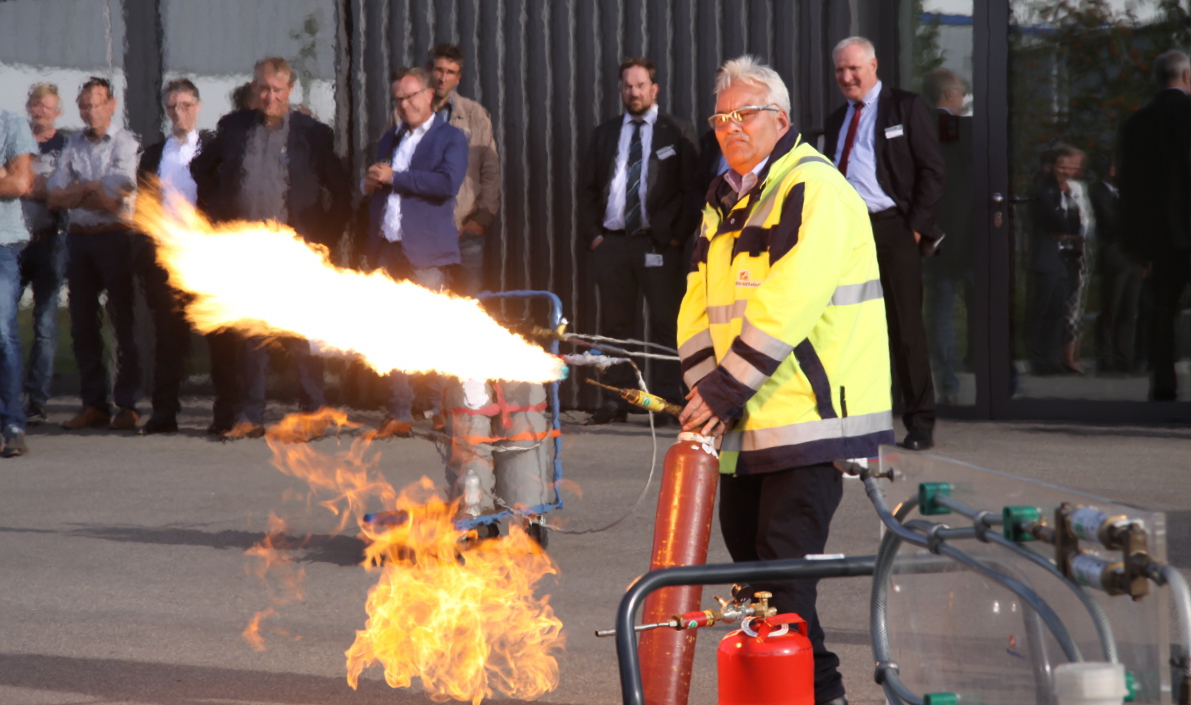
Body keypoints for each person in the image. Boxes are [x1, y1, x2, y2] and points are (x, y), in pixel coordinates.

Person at [678, 55, 893, 705]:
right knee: (756, 592)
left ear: (781, 118)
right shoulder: (724, 196)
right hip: (748, 425)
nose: (730, 128)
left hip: (810, 422)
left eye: (745, 115)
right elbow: (696, 302)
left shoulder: (813, 187)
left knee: (783, 591)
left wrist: (719, 390)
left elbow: (790, 301)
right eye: (720, 118)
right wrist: (701, 389)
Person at [191, 57, 349, 437]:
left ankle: (314, 413)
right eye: (263, 88)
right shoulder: (233, 128)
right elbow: (201, 171)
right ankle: (251, 416)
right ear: (254, 88)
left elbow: (340, 190)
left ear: (290, 91)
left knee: (300, 335)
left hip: (294, 251)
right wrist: (218, 221)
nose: (269, 96)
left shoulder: (312, 133)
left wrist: (323, 239)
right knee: (252, 336)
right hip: (248, 252)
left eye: (277, 89)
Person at [825, 36, 945, 451]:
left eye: (853, 68)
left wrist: (914, 228)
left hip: (894, 229)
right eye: (840, 69)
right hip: (848, 235)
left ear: (873, 66)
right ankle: (857, 417)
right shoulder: (838, 117)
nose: (846, 76)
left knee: (905, 327)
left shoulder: (905, 107)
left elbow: (932, 171)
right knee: (849, 326)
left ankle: (920, 421)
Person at [579, 57, 698, 424]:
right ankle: (619, 398)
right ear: (621, 90)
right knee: (616, 327)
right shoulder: (605, 133)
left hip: (658, 245)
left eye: (641, 85)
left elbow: (692, 191)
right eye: (628, 86)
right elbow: (586, 191)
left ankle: (663, 400)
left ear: (654, 89)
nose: (634, 92)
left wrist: (677, 239)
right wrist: (596, 237)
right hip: (613, 245)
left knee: (665, 324)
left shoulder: (676, 131)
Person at [364, 67, 468, 438]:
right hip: (389, 251)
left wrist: (395, 178)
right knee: (392, 335)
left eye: (410, 97)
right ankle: (399, 413)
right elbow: (382, 185)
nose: (404, 105)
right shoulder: (390, 139)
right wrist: (372, 184)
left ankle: (438, 408)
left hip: (426, 254)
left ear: (429, 96)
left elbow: (445, 183)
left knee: (430, 333)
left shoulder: (450, 137)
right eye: (398, 99)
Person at [47, 77, 143, 432]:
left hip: (116, 238)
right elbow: (55, 195)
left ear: (112, 104)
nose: (91, 111)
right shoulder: (73, 143)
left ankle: (129, 405)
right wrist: (91, 188)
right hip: (79, 240)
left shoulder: (125, 142)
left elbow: (113, 197)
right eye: (85, 105)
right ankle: (94, 404)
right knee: (84, 324)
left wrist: (80, 189)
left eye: (97, 104)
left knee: (123, 323)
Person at [135, 78, 214, 434]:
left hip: (207, 254)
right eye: (172, 107)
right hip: (167, 257)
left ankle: (226, 413)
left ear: (197, 106)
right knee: (168, 339)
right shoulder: (155, 154)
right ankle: (165, 412)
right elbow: (143, 205)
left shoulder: (213, 149)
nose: (179, 113)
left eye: (185, 105)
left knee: (219, 333)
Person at [1118, 50, 1191, 401]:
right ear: (1187, 77)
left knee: (1163, 310)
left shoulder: (1136, 124)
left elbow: (1129, 188)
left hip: (1160, 238)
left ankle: (1163, 381)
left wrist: (1134, 242)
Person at [427, 44, 500, 296]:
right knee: (425, 309)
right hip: (422, 235)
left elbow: (490, 171)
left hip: (465, 233)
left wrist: (481, 220)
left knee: (469, 306)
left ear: (458, 78)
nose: (442, 77)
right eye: (438, 70)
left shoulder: (475, 115)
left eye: (450, 72)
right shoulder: (407, 112)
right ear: (429, 71)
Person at [922, 68, 974, 405]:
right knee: (982, 311)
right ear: (951, 94)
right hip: (970, 236)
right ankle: (1000, 382)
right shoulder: (970, 133)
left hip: (935, 236)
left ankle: (949, 386)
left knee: (940, 311)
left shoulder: (922, 131)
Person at [18, 83, 69, 425]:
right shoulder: (14, 140)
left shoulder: (65, 145)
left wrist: (26, 184)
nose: (40, 111)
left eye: (46, 106)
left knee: (46, 325)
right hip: (14, 243)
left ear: (57, 111)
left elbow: (61, 191)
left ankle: (36, 400)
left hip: (51, 241)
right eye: (36, 105)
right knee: (5, 322)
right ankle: (9, 396)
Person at [0, 109, 38, 456]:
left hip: (2, 245)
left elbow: (19, 183)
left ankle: (12, 424)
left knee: (3, 333)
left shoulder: (9, 124)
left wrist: (8, 176)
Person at [1028, 145, 1082, 376]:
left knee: (1058, 311)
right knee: (1042, 310)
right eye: (1062, 167)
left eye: (1070, 168)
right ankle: (1038, 359)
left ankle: (1052, 358)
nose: (1066, 172)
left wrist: (1068, 230)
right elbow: (1053, 220)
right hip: (1046, 257)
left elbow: (1075, 222)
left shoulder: (1066, 192)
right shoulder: (1043, 189)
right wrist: (1064, 227)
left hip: (1062, 259)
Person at [1091, 158, 1142, 375]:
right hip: (1114, 258)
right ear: (1113, 170)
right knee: (1111, 309)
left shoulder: (1129, 194)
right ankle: (1105, 359)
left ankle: (1124, 358)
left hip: (1134, 260)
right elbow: (1110, 222)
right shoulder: (1099, 192)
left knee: (1129, 312)